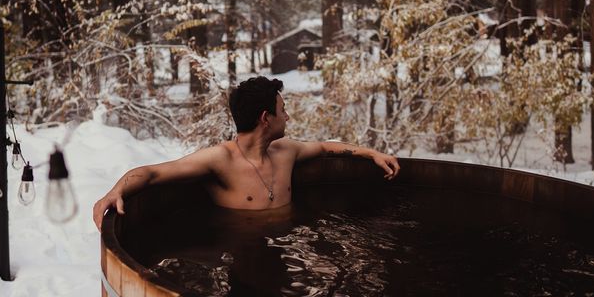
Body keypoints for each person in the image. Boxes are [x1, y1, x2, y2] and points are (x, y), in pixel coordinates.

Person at [92, 75, 400, 230]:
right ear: (266, 118)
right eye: (283, 111)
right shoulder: (221, 160)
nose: (288, 118)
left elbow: (326, 147)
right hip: (240, 246)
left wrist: (369, 153)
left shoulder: (285, 152)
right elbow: (152, 172)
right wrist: (116, 189)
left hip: (290, 244)